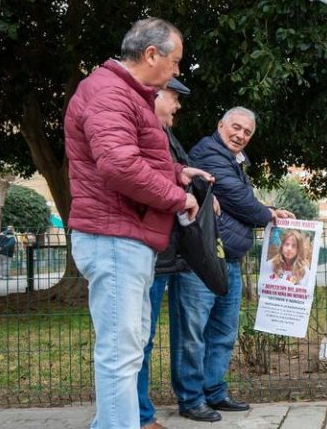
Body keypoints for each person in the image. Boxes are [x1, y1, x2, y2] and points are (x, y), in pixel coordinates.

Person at [64, 17, 213, 429]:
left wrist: (176, 173)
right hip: (114, 236)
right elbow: (119, 165)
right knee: (120, 352)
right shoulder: (110, 93)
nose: (177, 71)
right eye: (176, 61)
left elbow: (135, 158)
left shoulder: (124, 94)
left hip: (126, 236)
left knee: (127, 350)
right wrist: (176, 196)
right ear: (151, 54)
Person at [172, 107, 294, 422]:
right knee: (193, 332)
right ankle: (191, 399)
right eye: (235, 128)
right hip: (202, 258)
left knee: (224, 331)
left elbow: (238, 199)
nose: (240, 135)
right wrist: (268, 214)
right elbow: (238, 198)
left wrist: (263, 208)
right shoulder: (210, 153)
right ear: (220, 125)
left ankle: (214, 391)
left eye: (246, 132)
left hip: (229, 258)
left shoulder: (232, 159)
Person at [136, 77, 193, 429]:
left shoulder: (165, 136)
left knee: (143, 336)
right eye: (173, 98)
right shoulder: (145, 133)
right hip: (149, 254)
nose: (177, 106)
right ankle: (140, 416)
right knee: (138, 338)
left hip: (164, 253)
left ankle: (138, 413)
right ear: (154, 95)